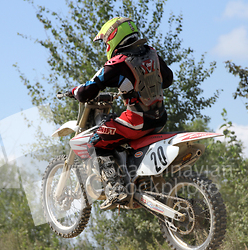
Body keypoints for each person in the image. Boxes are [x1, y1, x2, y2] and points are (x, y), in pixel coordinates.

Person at [70, 17, 173, 209]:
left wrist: (74, 91)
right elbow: (167, 80)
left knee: (96, 140)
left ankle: (116, 189)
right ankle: (134, 174)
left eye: (105, 41)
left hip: (137, 122)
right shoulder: (152, 53)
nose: (106, 45)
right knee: (116, 130)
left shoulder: (117, 63)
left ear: (113, 37)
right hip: (159, 118)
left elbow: (86, 92)